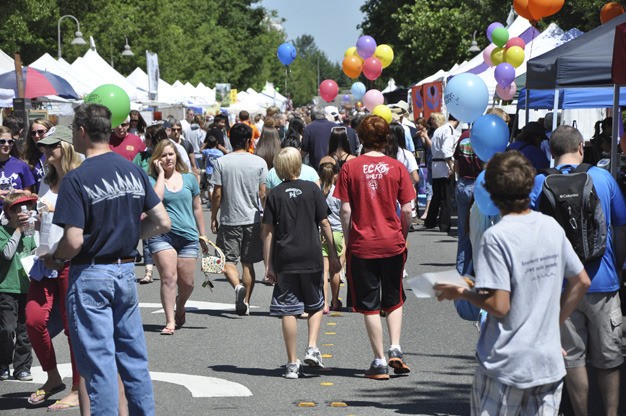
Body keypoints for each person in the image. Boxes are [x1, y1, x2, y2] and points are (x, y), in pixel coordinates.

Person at [435, 150, 591, 416]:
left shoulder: (497, 237)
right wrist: (552, 327)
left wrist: (462, 291)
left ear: (492, 194)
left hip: (507, 362)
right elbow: (581, 281)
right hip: (547, 361)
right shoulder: (551, 227)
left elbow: (499, 304)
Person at [43, 103, 171, 416]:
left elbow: (73, 241)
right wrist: (129, 235)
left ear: (83, 132)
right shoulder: (131, 169)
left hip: (90, 274)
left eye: (74, 129)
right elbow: (161, 222)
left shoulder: (76, 179)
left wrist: (54, 258)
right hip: (125, 272)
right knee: (134, 359)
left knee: (99, 364)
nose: (73, 134)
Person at [530, 125, 626, 416]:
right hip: (603, 283)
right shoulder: (603, 177)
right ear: (581, 147)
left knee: (573, 359)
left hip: (561, 289)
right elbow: (621, 227)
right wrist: (619, 268)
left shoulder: (539, 183)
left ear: (552, 151)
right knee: (609, 359)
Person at [333, 115, 415, 380]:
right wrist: (401, 233)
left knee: (368, 304)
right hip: (392, 241)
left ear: (362, 138)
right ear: (386, 138)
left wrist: (348, 239)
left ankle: (379, 360)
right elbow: (407, 208)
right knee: (394, 297)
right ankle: (396, 347)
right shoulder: (397, 167)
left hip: (362, 243)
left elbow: (345, 209)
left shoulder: (350, 168)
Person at [262, 147, 341, 379]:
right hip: (311, 254)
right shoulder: (313, 190)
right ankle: (312, 347)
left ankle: (291, 363)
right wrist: (334, 254)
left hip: (285, 256)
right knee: (316, 302)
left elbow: (267, 232)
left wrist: (268, 265)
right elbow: (325, 223)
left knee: (288, 309)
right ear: (299, 165)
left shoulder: (274, 194)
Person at [25, 125, 82, 410]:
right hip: (44, 260)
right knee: (34, 320)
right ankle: (52, 378)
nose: (45, 149)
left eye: (52, 145)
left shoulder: (80, 178)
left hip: (70, 261)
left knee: (73, 327)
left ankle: (76, 387)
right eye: (44, 145)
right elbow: (45, 222)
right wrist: (33, 223)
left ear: (67, 147)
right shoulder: (47, 180)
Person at [147, 140, 208, 335]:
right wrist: (161, 175)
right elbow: (155, 200)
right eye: (163, 155)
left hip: (188, 236)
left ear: (177, 156)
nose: (167, 158)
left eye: (170, 154)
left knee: (188, 283)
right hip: (161, 236)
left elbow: (197, 207)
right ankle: (170, 320)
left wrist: (203, 235)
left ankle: (180, 305)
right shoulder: (151, 181)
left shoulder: (189, 179)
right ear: (157, 159)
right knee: (168, 277)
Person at [210, 123, 267, 316]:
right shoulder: (259, 162)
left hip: (230, 218)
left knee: (226, 260)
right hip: (252, 219)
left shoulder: (222, 162)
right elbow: (262, 193)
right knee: (248, 264)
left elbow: (217, 193)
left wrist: (213, 216)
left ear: (229, 140)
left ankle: (236, 287)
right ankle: (246, 302)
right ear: (249, 141)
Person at [0, 193, 38, 382]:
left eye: (27, 208)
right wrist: (18, 230)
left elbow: (33, 253)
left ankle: (22, 367)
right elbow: (7, 254)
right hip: (6, 288)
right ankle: (2, 363)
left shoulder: (30, 232)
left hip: (27, 288)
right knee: (6, 329)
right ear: (9, 212)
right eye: (19, 209)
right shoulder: (3, 231)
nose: (24, 213)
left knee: (25, 330)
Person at [132, 126, 164, 284]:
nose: (144, 140)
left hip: (166, 201)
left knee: (165, 237)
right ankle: (148, 272)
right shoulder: (141, 157)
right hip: (146, 201)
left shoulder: (166, 155)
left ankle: (167, 269)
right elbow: (133, 175)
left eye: (147, 137)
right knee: (147, 238)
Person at [424, 114, 459, 233]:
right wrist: (451, 166)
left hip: (436, 164)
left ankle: (430, 221)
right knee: (446, 198)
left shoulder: (439, 129)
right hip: (444, 165)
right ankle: (444, 225)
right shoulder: (449, 130)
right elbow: (446, 150)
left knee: (436, 196)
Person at [318, 162, 344, 313]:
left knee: (324, 269)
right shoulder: (338, 193)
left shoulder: (318, 193)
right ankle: (335, 300)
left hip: (321, 232)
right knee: (335, 270)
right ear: (335, 175)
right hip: (337, 233)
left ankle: (324, 302)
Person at [0, 126, 35, 212]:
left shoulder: (21, 165)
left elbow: (28, 192)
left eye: (10, 142)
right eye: (2, 141)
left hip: (16, 213)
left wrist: (19, 192)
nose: (7, 145)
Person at [23, 118, 53, 190]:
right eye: (33, 133)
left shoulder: (58, 153)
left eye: (40, 131)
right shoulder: (29, 158)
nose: (36, 136)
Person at [201, 135, 224, 204]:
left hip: (209, 171)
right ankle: (217, 201)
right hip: (218, 171)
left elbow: (200, 150)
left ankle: (212, 202)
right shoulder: (220, 153)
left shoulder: (207, 151)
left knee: (210, 187)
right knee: (217, 186)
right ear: (216, 143)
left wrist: (205, 145)